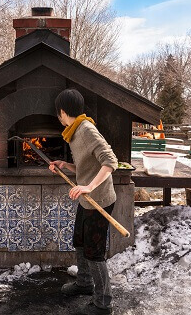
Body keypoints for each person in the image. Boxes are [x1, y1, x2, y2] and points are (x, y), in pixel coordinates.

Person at [49, 89, 118, 315]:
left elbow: (110, 162)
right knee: (79, 241)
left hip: (99, 200)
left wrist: (89, 186)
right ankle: (85, 283)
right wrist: (65, 165)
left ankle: (103, 302)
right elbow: (89, 166)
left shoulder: (86, 130)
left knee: (94, 252)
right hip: (87, 200)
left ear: (62, 112)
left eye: (58, 113)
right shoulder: (75, 130)